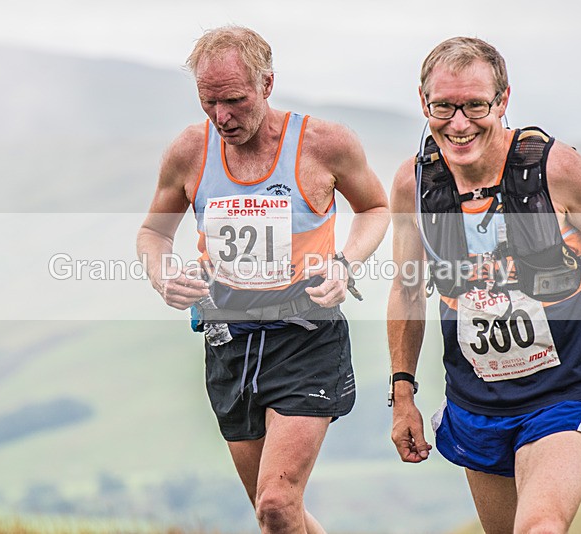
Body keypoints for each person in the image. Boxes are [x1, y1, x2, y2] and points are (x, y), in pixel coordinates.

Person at [387, 36, 581, 533]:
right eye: (443, 106)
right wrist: (402, 392)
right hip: (474, 402)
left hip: (561, 396)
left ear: (503, 101)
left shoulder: (555, 169)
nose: (459, 123)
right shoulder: (415, 184)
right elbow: (407, 290)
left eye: (475, 105)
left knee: (540, 527)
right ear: (423, 102)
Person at [137, 25, 389, 533]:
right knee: (275, 513)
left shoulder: (324, 143)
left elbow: (376, 208)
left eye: (234, 100)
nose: (222, 117)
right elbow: (152, 233)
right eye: (209, 103)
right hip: (229, 340)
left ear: (267, 84)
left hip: (306, 336)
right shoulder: (191, 150)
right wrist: (163, 276)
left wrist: (345, 264)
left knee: (276, 504)